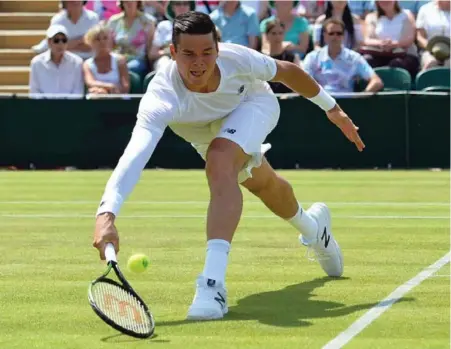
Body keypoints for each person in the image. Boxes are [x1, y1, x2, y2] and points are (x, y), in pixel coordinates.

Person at [93, 11, 365, 321]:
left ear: (218, 50)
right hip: (205, 134)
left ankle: (212, 284)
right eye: (189, 54)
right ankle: (316, 230)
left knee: (220, 159)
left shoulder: (237, 59)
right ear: (172, 53)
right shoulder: (161, 97)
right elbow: (135, 155)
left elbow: (287, 72)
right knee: (265, 185)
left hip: (253, 106)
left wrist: (334, 110)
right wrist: (106, 214)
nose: (199, 62)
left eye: (207, 52)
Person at [303, 18, 383, 93]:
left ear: (343, 36)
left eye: (339, 33)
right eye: (331, 33)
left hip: (347, 103)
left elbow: (376, 81)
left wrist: (362, 98)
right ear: (324, 35)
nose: (335, 36)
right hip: (321, 102)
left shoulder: (354, 58)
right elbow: (302, 82)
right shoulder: (312, 58)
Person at [30, 24, 84, 98]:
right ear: (49, 42)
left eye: (64, 40)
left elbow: (78, 91)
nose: (60, 44)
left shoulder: (77, 62)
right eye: (56, 40)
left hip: (70, 108)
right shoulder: (37, 62)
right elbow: (34, 91)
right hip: (43, 108)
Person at [83, 24, 130, 95]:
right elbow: (90, 82)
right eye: (97, 39)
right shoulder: (87, 64)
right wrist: (109, 87)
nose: (102, 42)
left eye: (105, 38)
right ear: (90, 42)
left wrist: (108, 93)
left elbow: (125, 86)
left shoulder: (120, 60)